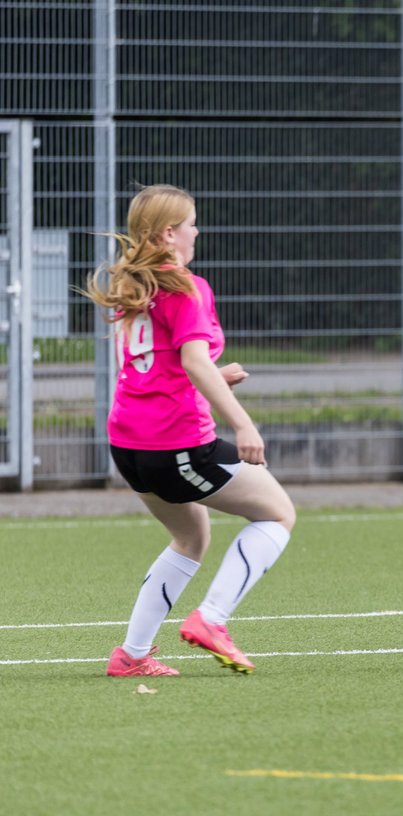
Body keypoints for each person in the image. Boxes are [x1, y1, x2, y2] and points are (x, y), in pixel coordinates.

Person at [85, 184, 296, 677]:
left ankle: (131, 656)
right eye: (191, 223)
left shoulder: (133, 287)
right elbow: (195, 362)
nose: (196, 231)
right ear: (168, 233)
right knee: (277, 514)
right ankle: (212, 620)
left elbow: (154, 369)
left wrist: (213, 377)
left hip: (127, 445)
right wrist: (243, 423)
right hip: (175, 442)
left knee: (191, 534)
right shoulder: (183, 285)